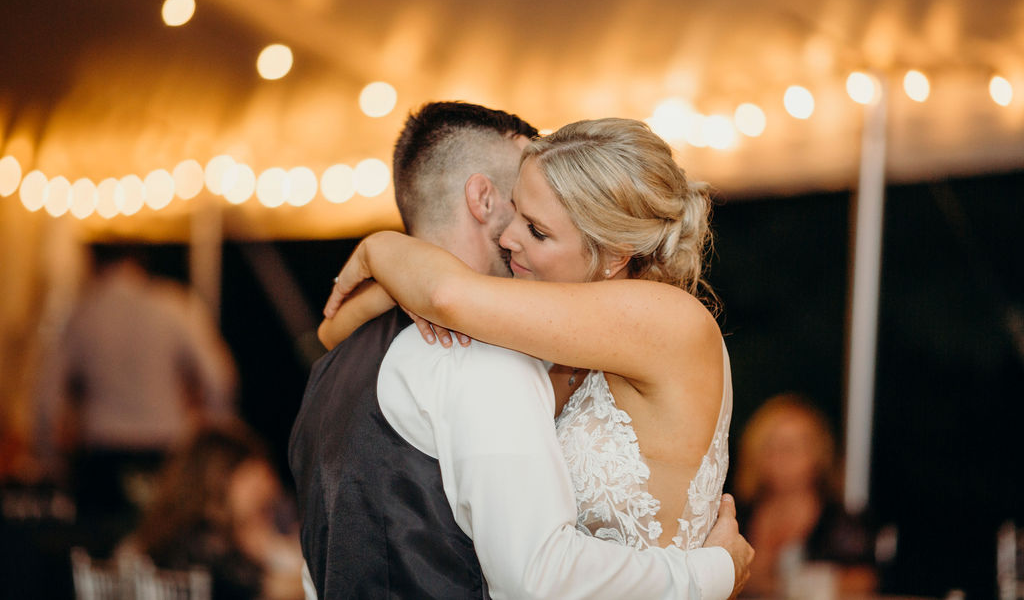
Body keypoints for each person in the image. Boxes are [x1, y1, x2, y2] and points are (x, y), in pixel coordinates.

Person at [291, 103, 752, 599]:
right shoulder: (567, 339)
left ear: (615, 254)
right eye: (516, 209)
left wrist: (377, 248)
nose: (509, 238)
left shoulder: (668, 319)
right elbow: (334, 332)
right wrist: (390, 278)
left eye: (537, 230)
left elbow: (446, 295)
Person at [34, 245, 237, 531]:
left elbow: (46, 397)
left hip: (102, 457)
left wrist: (50, 459)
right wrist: (208, 440)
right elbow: (219, 378)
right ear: (139, 261)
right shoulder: (172, 304)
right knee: (167, 549)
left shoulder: (83, 313)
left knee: (101, 555)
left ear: (94, 262)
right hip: (166, 453)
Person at [122, 421, 304, 600]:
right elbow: (268, 588)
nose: (262, 507)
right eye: (254, 490)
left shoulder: (183, 531)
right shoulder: (198, 538)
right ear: (219, 481)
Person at [733, 394, 878, 597]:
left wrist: (777, 584)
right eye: (771, 446)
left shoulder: (839, 522)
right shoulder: (734, 517)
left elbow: (863, 582)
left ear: (818, 455)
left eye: (793, 447)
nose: (782, 457)